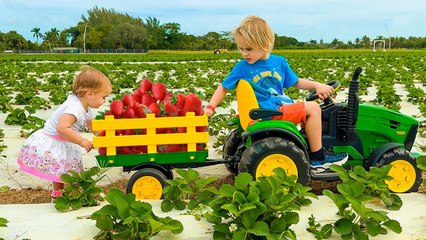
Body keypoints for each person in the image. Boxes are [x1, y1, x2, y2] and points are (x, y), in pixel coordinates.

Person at [204, 16, 348, 171]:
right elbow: (224, 87)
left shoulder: (279, 62)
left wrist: (316, 85)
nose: (244, 54)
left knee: (306, 109)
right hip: (269, 113)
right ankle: (318, 157)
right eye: (241, 49)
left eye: (249, 49)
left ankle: (308, 145)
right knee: (313, 108)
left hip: (275, 108)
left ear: (264, 45)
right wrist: (211, 107)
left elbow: (295, 82)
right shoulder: (242, 67)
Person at [17, 66, 112, 198]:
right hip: (55, 141)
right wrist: (82, 141)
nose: (104, 101)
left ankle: (59, 195)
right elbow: (62, 128)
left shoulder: (85, 107)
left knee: (62, 170)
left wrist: (104, 136)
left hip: (64, 140)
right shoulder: (75, 108)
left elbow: (92, 125)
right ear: (89, 94)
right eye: (103, 97)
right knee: (69, 174)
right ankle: (71, 196)